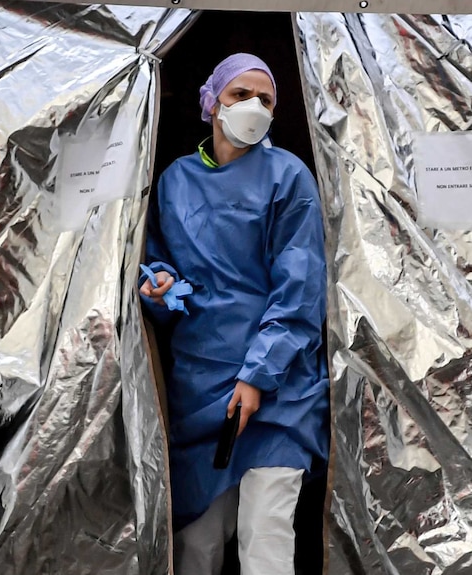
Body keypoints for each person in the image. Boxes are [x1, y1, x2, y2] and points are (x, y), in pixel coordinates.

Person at [139, 53, 329, 575]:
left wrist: (257, 375)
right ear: (211, 102)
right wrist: (160, 287)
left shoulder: (288, 177)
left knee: (265, 542)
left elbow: (300, 289)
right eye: (239, 95)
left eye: (265, 100)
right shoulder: (176, 182)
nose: (253, 107)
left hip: (278, 395)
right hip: (200, 387)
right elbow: (156, 264)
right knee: (197, 547)